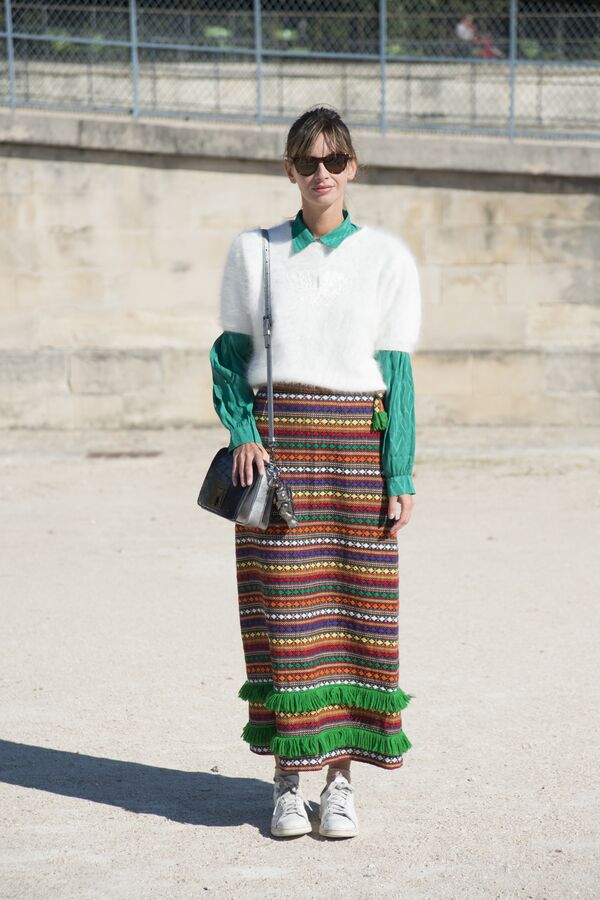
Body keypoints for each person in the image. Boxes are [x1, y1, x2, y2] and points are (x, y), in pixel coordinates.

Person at [209, 105, 421, 840]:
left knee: (358, 618)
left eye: (333, 160)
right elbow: (228, 358)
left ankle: (340, 785)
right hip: (281, 457)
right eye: (307, 162)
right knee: (287, 621)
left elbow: (397, 373)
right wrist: (244, 433)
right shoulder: (255, 251)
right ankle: (287, 783)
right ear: (290, 170)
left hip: (358, 457)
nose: (321, 173)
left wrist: (400, 473)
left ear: (351, 167)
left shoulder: (387, 257)